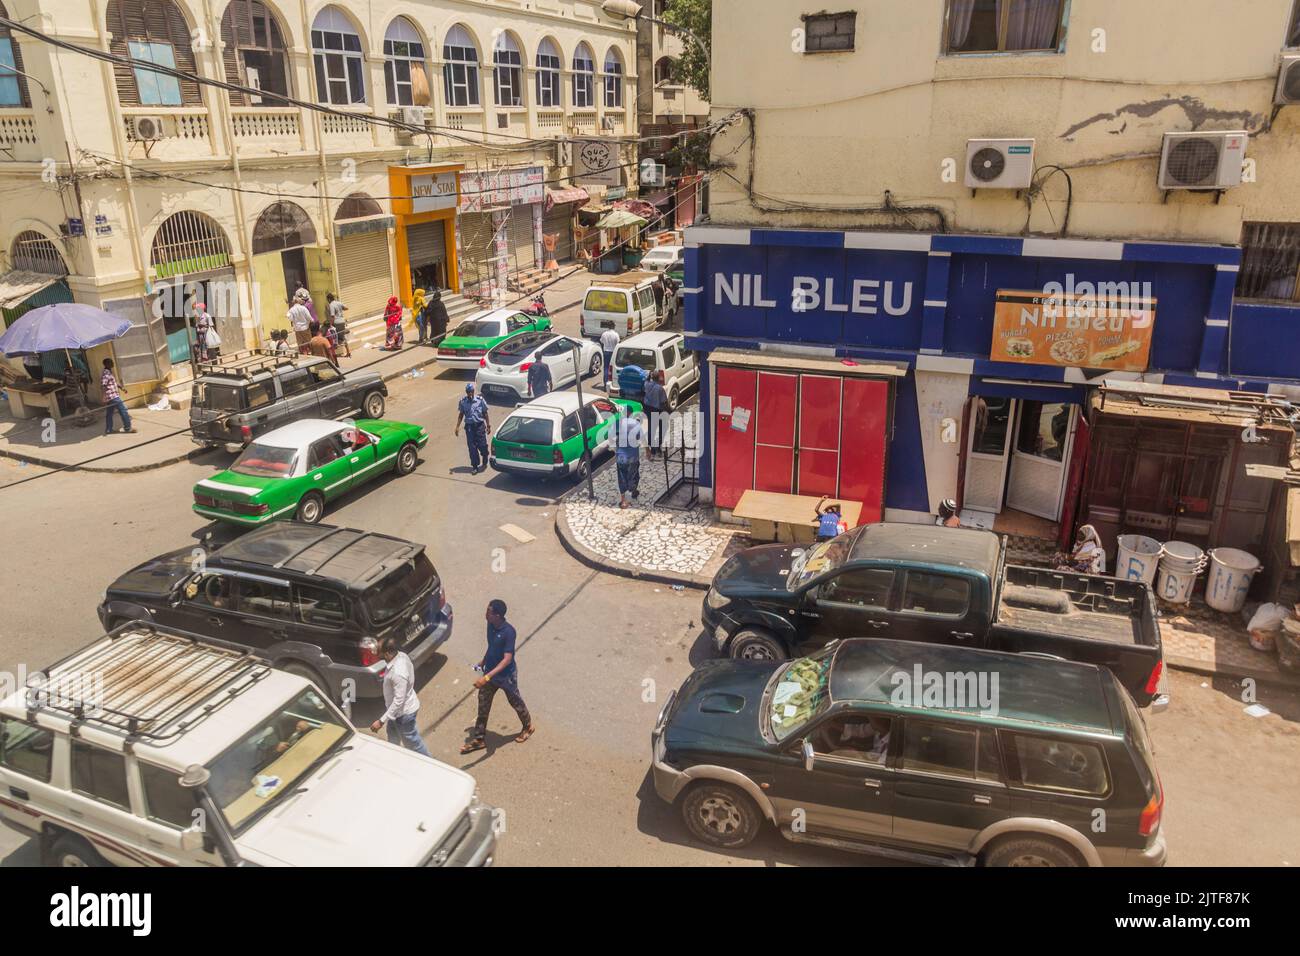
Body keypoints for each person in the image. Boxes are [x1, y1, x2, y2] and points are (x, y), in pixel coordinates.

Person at [460, 599, 534, 754]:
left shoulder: (509, 632)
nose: (485, 613)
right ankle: (479, 739)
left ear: (498, 615)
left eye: (489, 611)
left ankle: (528, 726)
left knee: (515, 702)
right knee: (483, 704)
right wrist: (483, 661)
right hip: (490, 674)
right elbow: (492, 646)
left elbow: (507, 659)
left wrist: (486, 677)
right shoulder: (490, 625)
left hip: (506, 676)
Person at [369, 637, 431, 757]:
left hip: (403, 714)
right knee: (392, 733)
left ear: (387, 654)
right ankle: (394, 757)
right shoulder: (401, 655)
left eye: (379, 650)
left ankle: (431, 764)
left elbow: (399, 701)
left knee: (413, 744)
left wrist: (381, 721)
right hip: (395, 712)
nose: (376, 650)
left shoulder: (398, 673)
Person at [455, 382, 491, 474]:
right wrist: (457, 426)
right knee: (472, 447)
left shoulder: (480, 400)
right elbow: (461, 414)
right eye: (468, 392)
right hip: (469, 427)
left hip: (479, 426)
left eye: (471, 391)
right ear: (466, 392)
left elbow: (485, 413)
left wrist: (488, 425)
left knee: (482, 445)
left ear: (473, 391)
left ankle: (485, 455)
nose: (470, 393)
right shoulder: (463, 401)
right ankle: (475, 466)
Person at [615, 409, 644, 509]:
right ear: (631, 414)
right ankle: (633, 490)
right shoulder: (635, 424)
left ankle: (623, 501)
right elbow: (641, 438)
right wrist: (648, 451)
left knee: (622, 477)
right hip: (633, 456)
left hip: (621, 457)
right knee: (634, 475)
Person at [100, 358, 135, 435]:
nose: (113, 363)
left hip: (111, 396)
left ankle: (109, 429)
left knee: (109, 413)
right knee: (123, 411)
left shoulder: (109, 372)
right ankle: (128, 428)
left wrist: (122, 388)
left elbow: (114, 383)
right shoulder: (106, 374)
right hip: (113, 397)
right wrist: (103, 396)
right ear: (106, 364)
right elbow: (103, 385)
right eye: (111, 362)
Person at [643, 369, 668, 458]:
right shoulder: (660, 389)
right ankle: (657, 447)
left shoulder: (647, 385)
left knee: (651, 429)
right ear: (659, 378)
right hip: (657, 410)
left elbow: (645, 381)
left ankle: (653, 447)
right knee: (662, 428)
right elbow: (664, 402)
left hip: (648, 409)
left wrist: (648, 376)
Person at [326, 293, 351, 358]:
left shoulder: (331, 305)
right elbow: (346, 308)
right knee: (342, 337)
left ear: (329, 299)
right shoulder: (338, 303)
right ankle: (348, 351)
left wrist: (330, 325)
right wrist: (340, 310)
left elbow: (332, 316)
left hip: (336, 323)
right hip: (342, 322)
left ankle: (334, 354)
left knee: (334, 337)